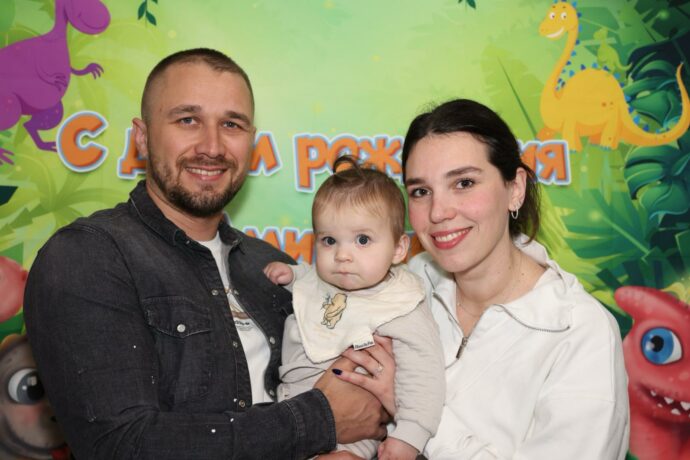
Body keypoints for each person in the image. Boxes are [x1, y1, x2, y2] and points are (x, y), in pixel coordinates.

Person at [23, 48, 394, 460]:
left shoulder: (272, 267)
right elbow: (121, 444)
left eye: (231, 124)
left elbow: (358, 395)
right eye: (188, 120)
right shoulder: (88, 256)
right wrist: (318, 419)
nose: (212, 146)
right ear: (142, 137)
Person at [401, 99, 630, 459]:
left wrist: (412, 411)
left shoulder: (580, 332)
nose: (438, 212)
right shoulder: (407, 287)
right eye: (420, 191)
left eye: (464, 183)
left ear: (515, 189)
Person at [264, 156, 444, 460]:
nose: (342, 255)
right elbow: (312, 282)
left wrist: (410, 436)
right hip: (287, 412)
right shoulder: (324, 279)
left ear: (399, 248)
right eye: (329, 240)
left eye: (362, 240)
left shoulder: (399, 304)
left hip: (352, 433)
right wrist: (293, 276)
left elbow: (425, 378)